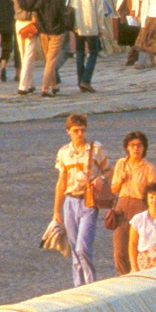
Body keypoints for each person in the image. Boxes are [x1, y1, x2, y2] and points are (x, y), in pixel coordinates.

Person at [50, 113, 110, 287]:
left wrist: (101, 179)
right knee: (74, 250)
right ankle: (78, 286)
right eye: (76, 131)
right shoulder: (63, 153)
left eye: (83, 130)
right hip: (70, 201)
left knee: (82, 247)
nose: (80, 134)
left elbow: (109, 170)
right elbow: (61, 183)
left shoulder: (95, 150)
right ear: (68, 131)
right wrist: (56, 211)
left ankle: (91, 283)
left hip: (88, 201)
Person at [107, 131, 156, 275]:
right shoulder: (121, 164)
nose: (136, 148)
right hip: (121, 207)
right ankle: (124, 276)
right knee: (119, 250)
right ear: (127, 148)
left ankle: (138, 276)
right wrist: (121, 179)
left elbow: (153, 194)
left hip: (140, 206)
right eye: (132, 145)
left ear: (144, 148)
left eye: (139, 145)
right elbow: (113, 189)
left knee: (138, 247)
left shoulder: (149, 168)